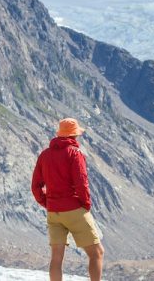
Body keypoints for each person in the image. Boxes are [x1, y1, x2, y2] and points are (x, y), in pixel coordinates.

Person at [31, 118, 105, 281]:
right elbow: (81, 182)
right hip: (73, 210)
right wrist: (85, 204)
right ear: (74, 135)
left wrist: (47, 203)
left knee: (56, 258)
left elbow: (36, 186)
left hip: (53, 212)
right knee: (97, 253)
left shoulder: (45, 155)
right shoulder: (74, 153)